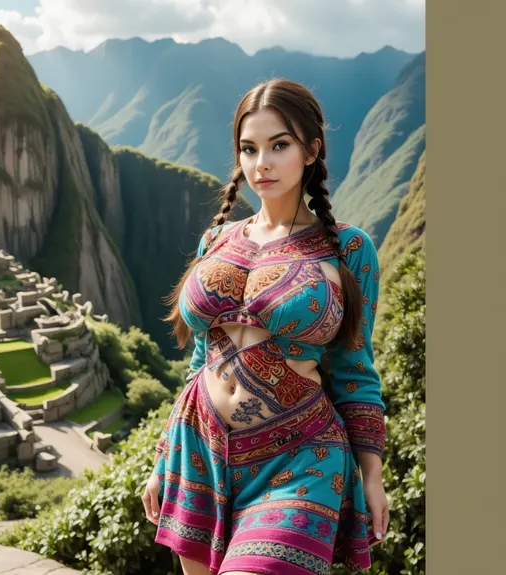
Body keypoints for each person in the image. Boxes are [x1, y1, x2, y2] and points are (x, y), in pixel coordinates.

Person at [141, 78, 389, 575]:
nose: (262, 164)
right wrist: (163, 456)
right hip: (200, 451)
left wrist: (372, 475)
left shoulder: (348, 250)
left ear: (311, 150)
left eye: (279, 145)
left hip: (301, 459)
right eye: (249, 149)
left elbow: (355, 369)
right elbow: (199, 362)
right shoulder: (215, 239)